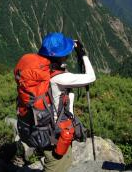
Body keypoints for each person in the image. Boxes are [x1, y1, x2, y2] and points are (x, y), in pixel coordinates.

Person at [14, 32, 96, 172]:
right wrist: (83, 54)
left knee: (55, 160)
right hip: (56, 131)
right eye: (66, 52)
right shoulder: (60, 79)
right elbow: (91, 77)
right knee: (56, 164)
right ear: (59, 56)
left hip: (41, 126)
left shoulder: (39, 72)